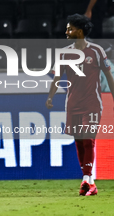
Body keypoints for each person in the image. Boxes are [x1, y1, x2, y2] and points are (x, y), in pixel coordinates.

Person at [45, 14, 114, 196]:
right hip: (73, 103)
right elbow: (57, 77)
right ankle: (91, 183)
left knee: (88, 139)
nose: (66, 32)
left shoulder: (97, 51)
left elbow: (108, 76)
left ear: (80, 32)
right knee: (79, 141)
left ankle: (85, 178)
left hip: (92, 103)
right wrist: (50, 97)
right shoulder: (64, 53)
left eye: (70, 29)